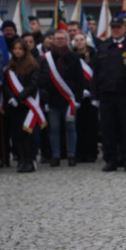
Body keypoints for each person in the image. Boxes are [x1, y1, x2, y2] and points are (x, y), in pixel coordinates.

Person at [92, 12, 126, 172]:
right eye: (113, 27)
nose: (116, 30)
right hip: (106, 95)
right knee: (108, 130)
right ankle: (110, 160)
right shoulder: (104, 47)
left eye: (118, 27)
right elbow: (96, 73)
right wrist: (95, 95)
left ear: (125, 29)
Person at [41, 29, 86, 167]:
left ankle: (72, 155)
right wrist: (45, 101)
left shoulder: (74, 57)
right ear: (53, 40)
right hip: (53, 99)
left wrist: (77, 100)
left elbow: (80, 80)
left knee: (71, 128)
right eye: (57, 38)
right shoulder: (46, 58)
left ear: (67, 41)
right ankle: (56, 155)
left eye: (62, 38)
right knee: (54, 128)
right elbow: (42, 80)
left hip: (70, 100)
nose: (59, 40)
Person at [3, 39, 44, 173]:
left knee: (26, 134)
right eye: (15, 48)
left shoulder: (33, 65)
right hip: (14, 106)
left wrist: (20, 98)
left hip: (27, 104)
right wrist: (11, 98)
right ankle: (21, 160)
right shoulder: (10, 67)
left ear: (25, 50)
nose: (18, 51)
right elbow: (6, 85)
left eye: (20, 48)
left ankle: (29, 161)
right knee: (16, 135)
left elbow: (33, 85)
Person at [72, 32, 100, 163]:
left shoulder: (95, 55)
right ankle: (80, 152)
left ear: (86, 41)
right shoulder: (72, 56)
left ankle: (91, 152)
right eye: (76, 40)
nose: (79, 42)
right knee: (79, 125)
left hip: (91, 95)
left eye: (81, 39)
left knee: (92, 125)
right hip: (77, 96)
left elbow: (97, 74)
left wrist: (91, 90)